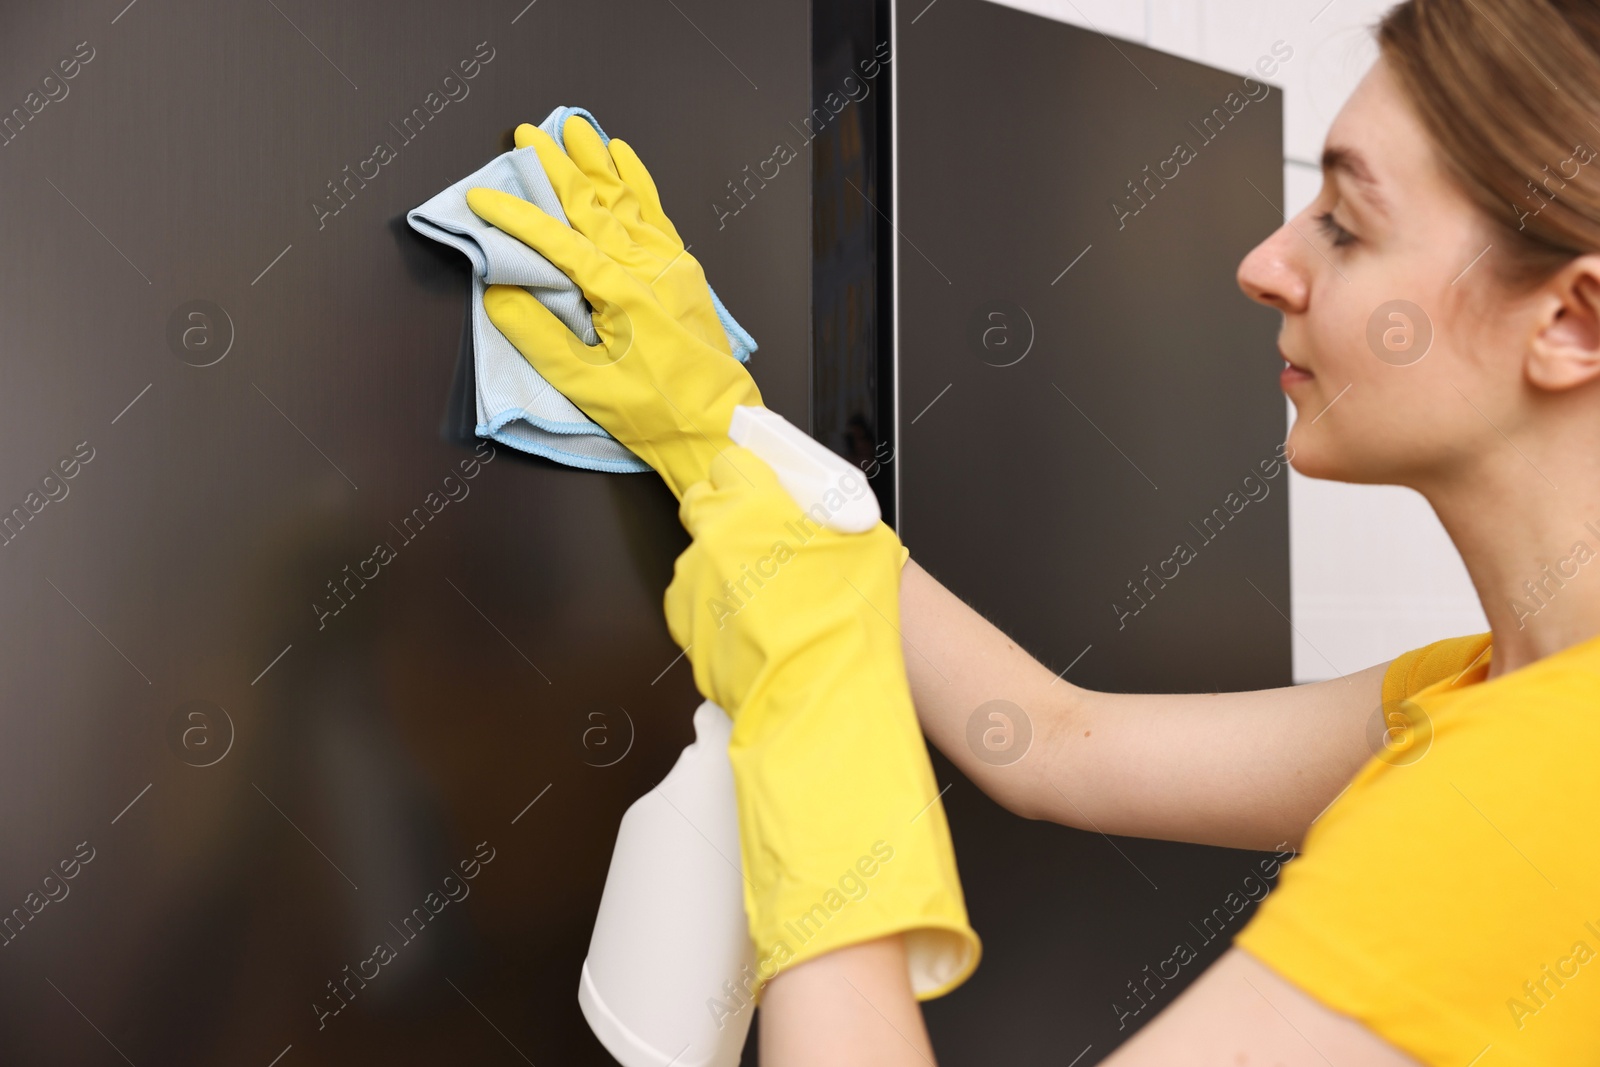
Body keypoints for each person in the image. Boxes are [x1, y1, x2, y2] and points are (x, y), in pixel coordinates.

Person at [468, 0, 1600, 1062]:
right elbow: (1053, 742)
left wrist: (812, 728)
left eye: (1345, 227)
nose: (1262, 265)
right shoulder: (1495, 698)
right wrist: (725, 434)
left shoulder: (1537, 795)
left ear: (1570, 319)